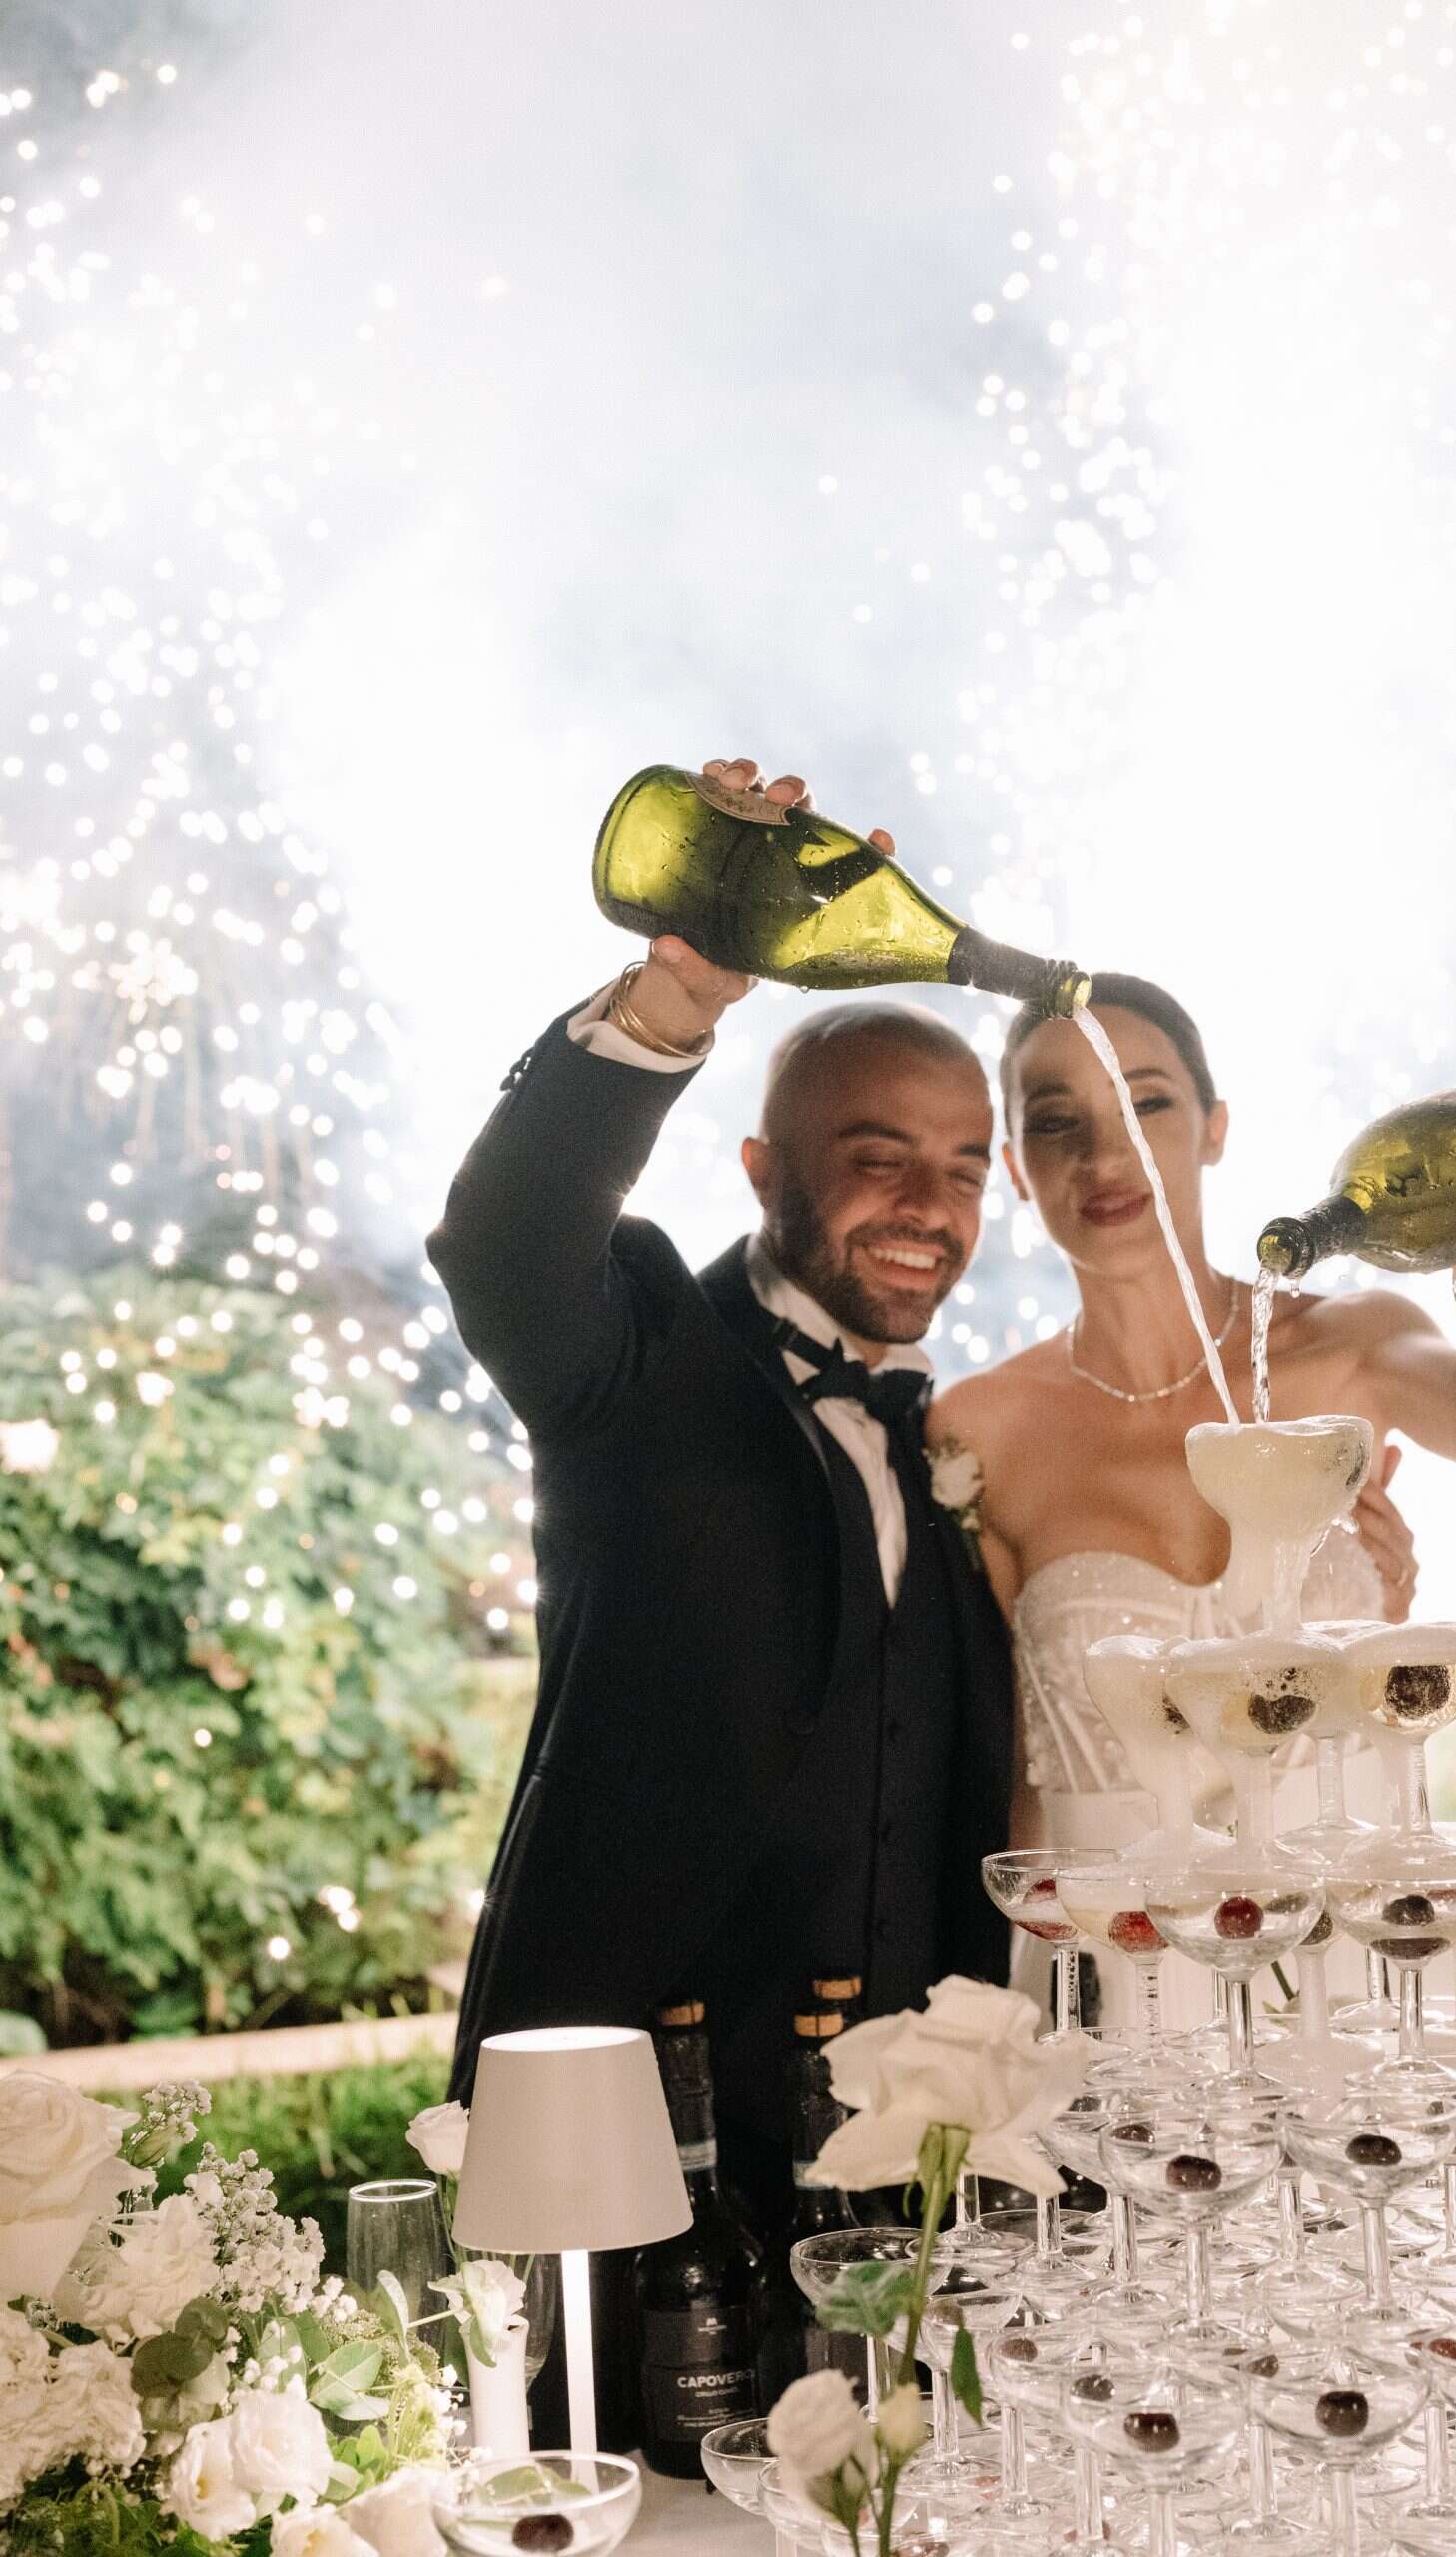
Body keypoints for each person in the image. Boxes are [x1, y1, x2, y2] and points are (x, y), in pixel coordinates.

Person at [426, 756, 1016, 2234]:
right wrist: (670, 1004)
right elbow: (502, 1240)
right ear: (762, 1169)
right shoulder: (639, 1354)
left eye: (962, 1170)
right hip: (634, 2130)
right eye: (877, 1160)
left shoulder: (952, 1434)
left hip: (913, 2165)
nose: (929, 1210)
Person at [929, 971, 1456, 1891]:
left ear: (1214, 1128)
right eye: (1055, 1121)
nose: (1105, 1152)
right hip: (1124, 1949)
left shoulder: (1349, 1341)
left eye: (1147, 1104)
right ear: (1014, 1165)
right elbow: (1008, 1750)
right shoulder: (979, 1430)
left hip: (1360, 1928)